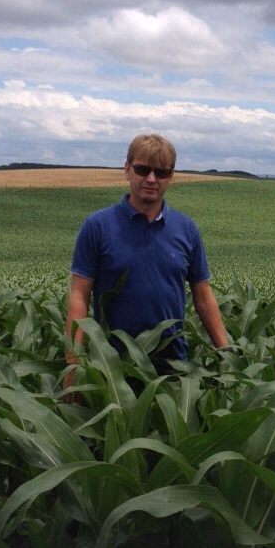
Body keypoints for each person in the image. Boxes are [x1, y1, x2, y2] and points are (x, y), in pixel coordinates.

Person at [64, 134, 228, 388]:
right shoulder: (97, 226)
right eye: (142, 169)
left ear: (170, 177)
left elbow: (203, 296)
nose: (151, 179)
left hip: (172, 367)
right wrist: (73, 364)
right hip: (110, 366)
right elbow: (79, 296)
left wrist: (226, 355)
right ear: (127, 170)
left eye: (161, 172)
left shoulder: (186, 229)